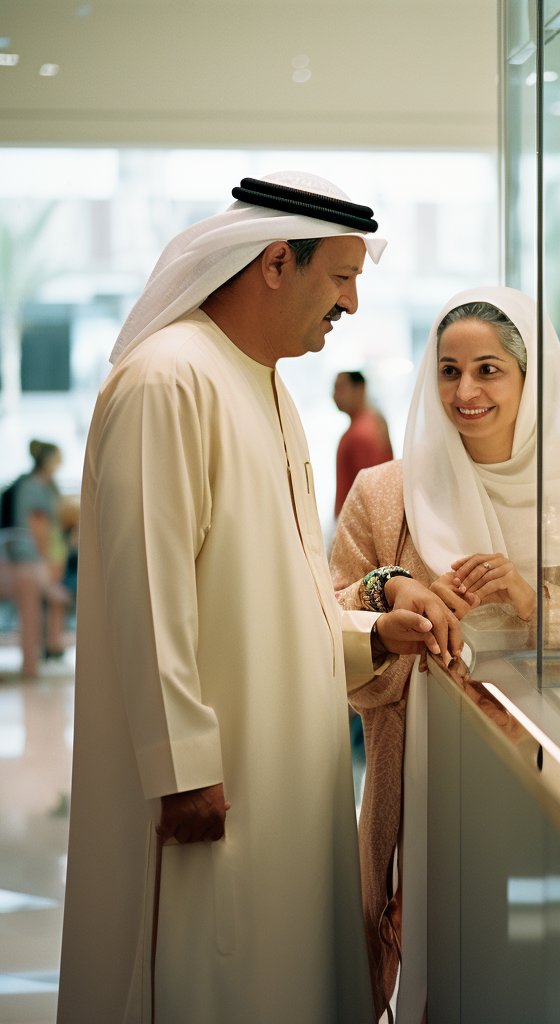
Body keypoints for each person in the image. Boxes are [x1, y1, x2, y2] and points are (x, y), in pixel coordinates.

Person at [58, 172, 461, 1024]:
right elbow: (148, 592)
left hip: (286, 771)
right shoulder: (169, 380)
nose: (351, 301)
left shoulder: (270, 388)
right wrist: (182, 768)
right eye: (341, 277)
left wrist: (372, 633)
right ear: (278, 261)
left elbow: (277, 597)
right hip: (215, 784)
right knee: (207, 978)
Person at [330, 286, 560, 1020]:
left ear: (529, 379)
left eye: (488, 370)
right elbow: (326, 619)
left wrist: (534, 601)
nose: (466, 391)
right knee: (444, 978)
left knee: (554, 983)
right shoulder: (386, 496)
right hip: (426, 781)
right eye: (448, 371)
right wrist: (393, 592)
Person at [0, 440, 70, 677]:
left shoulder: (36, 486)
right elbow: (38, 529)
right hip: (29, 562)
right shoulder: (35, 487)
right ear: (48, 460)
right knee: (53, 598)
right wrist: (46, 563)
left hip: (29, 560)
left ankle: (51, 649)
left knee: (52, 600)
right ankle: (48, 652)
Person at [334, 370, 393, 517]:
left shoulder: (361, 434)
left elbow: (371, 491)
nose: (335, 396)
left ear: (360, 389)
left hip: (358, 523)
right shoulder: (373, 421)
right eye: (334, 389)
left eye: (341, 388)